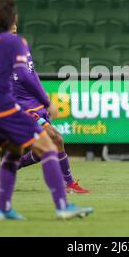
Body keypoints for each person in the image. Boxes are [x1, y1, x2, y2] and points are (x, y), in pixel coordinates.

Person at [0, 0, 93, 220]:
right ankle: (63, 206)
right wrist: (47, 102)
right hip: (3, 106)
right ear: (12, 18)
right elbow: (24, 76)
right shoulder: (16, 42)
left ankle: (4, 209)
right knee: (49, 146)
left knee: (12, 153)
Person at [10, 25, 89, 193]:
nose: (14, 31)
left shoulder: (23, 46)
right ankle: (69, 183)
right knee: (56, 138)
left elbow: (32, 75)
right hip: (22, 106)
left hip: (35, 103)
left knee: (40, 152)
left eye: (15, 28)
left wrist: (42, 98)